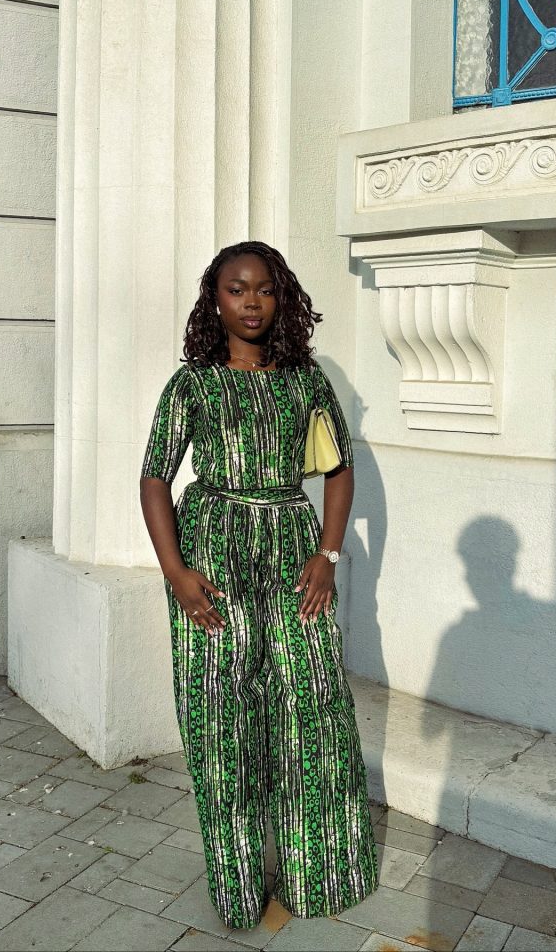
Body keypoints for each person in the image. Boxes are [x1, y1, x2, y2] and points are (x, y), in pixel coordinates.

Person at [139, 240, 378, 929]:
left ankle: (318, 872)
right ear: (214, 299)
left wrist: (328, 555)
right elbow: (156, 477)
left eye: (265, 289)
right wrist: (177, 573)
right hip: (211, 554)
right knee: (221, 721)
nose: (251, 302)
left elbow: (337, 469)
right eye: (236, 289)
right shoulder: (192, 384)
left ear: (284, 298)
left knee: (313, 710)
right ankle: (238, 885)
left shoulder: (305, 382)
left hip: (291, 550)